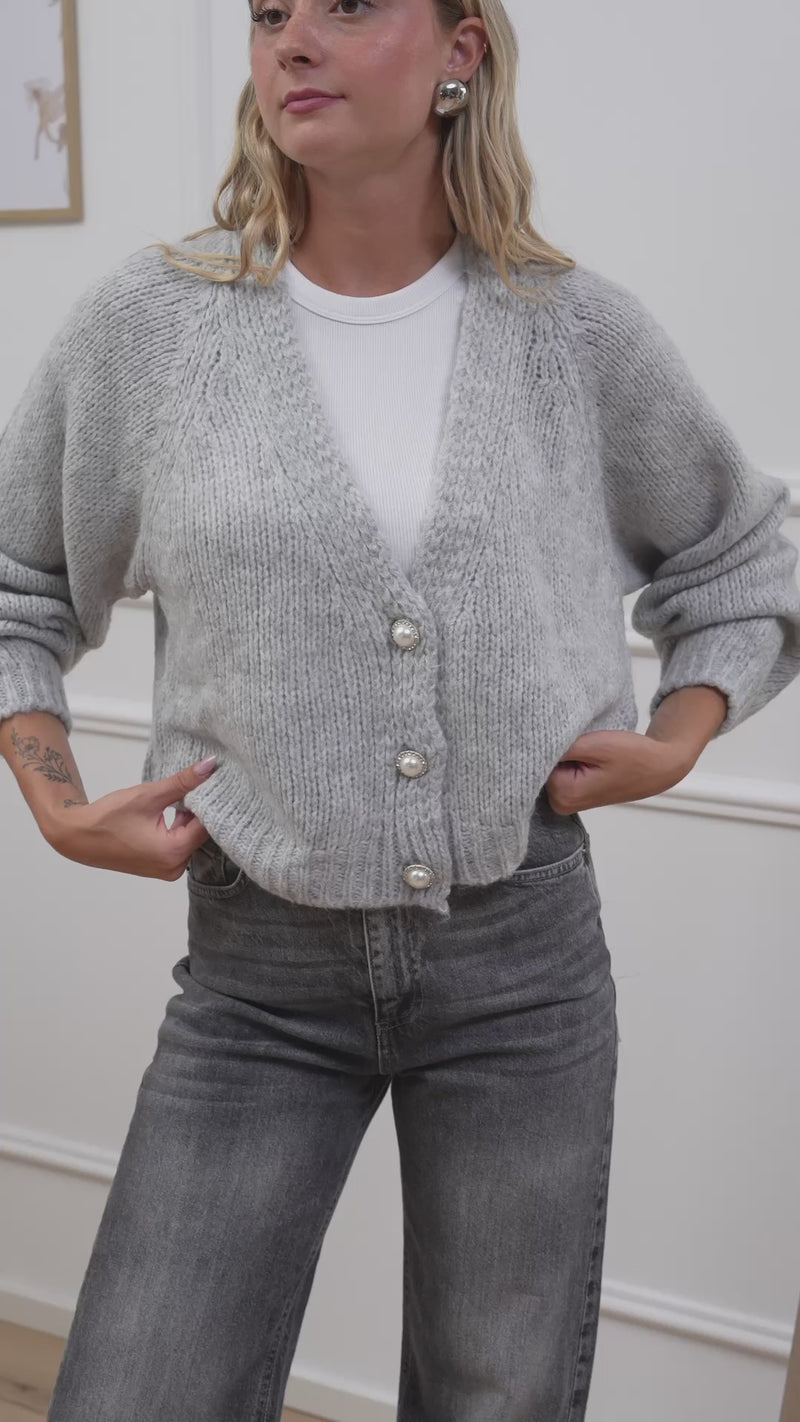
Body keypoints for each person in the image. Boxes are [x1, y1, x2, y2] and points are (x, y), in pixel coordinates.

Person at [1, 1, 799, 1419]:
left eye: (348, 4)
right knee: (139, 1389)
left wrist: (681, 733)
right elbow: (19, 581)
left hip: (524, 965)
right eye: (268, 14)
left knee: (500, 1395)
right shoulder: (153, 327)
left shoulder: (574, 330)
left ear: (460, 52)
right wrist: (56, 801)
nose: (292, 41)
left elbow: (745, 561)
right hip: (257, 966)